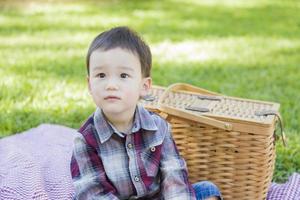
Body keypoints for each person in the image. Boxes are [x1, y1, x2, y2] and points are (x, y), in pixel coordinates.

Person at [70, 26, 222, 200]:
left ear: (144, 87)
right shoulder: (85, 140)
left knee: (209, 191)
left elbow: (174, 177)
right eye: (101, 75)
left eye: (123, 76)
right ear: (90, 84)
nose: (111, 84)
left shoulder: (159, 127)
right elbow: (93, 193)